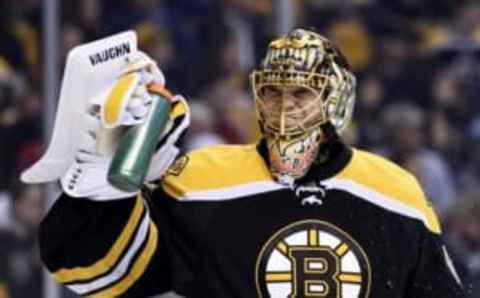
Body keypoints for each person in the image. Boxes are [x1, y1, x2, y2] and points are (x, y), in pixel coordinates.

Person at [28, 29, 464, 297]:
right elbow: (88, 273)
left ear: (337, 99)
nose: (282, 108)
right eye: (272, 92)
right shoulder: (199, 180)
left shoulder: (394, 192)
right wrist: (107, 183)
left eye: (301, 94)